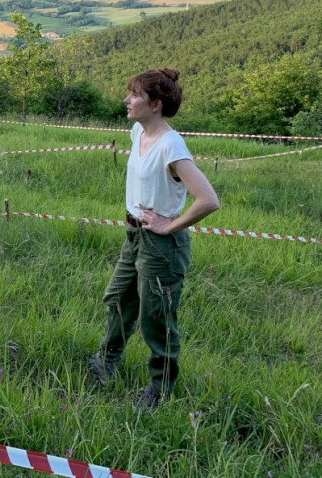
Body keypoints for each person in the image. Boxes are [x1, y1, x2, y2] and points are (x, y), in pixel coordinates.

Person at [88, 68, 220, 410]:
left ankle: (160, 390)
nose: (127, 100)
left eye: (135, 95)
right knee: (118, 300)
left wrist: (169, 225)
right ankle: (106, 363)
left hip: (161, 246)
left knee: (156, 319)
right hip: (134, 235)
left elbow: (208, 200)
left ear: (156, 104)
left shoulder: (171, 146)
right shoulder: (138, 131)